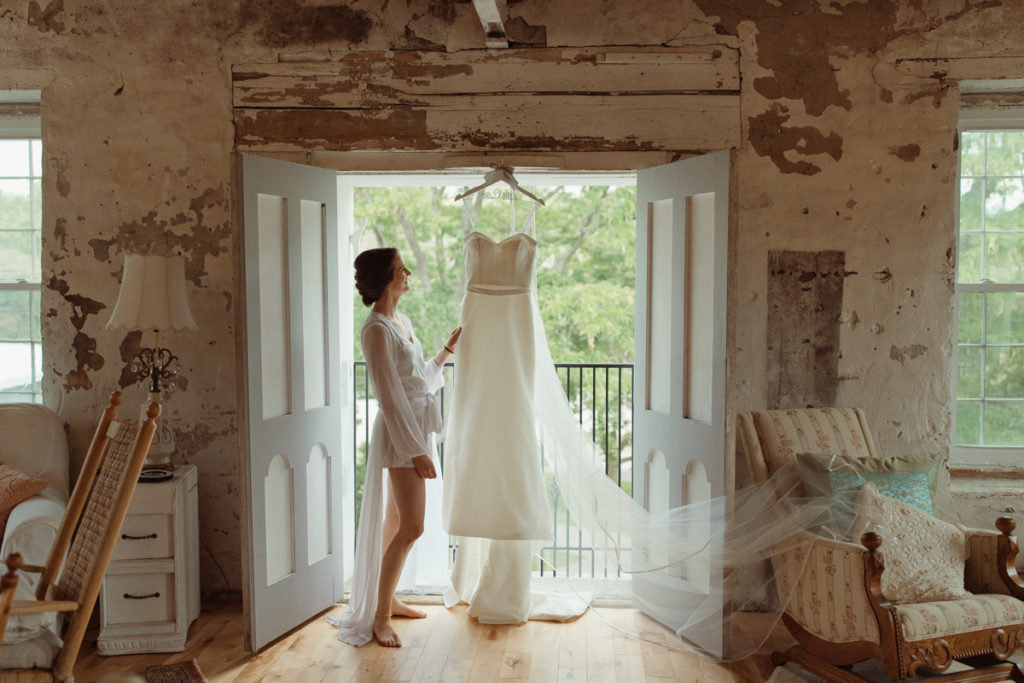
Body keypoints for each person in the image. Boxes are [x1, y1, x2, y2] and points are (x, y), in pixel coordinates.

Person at [325, 247, 461, 648]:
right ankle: (379, 618)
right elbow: (389, 395)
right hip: (403, 433)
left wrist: (447, 350)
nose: (409, 273)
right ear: (386, 278)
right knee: (413, 526)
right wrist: (416, 449)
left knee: (393, 523)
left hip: (416, 426)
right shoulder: (375, 329)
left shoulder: (400, 320)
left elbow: (417, 379)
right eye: (402, 269)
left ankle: (388, 599)